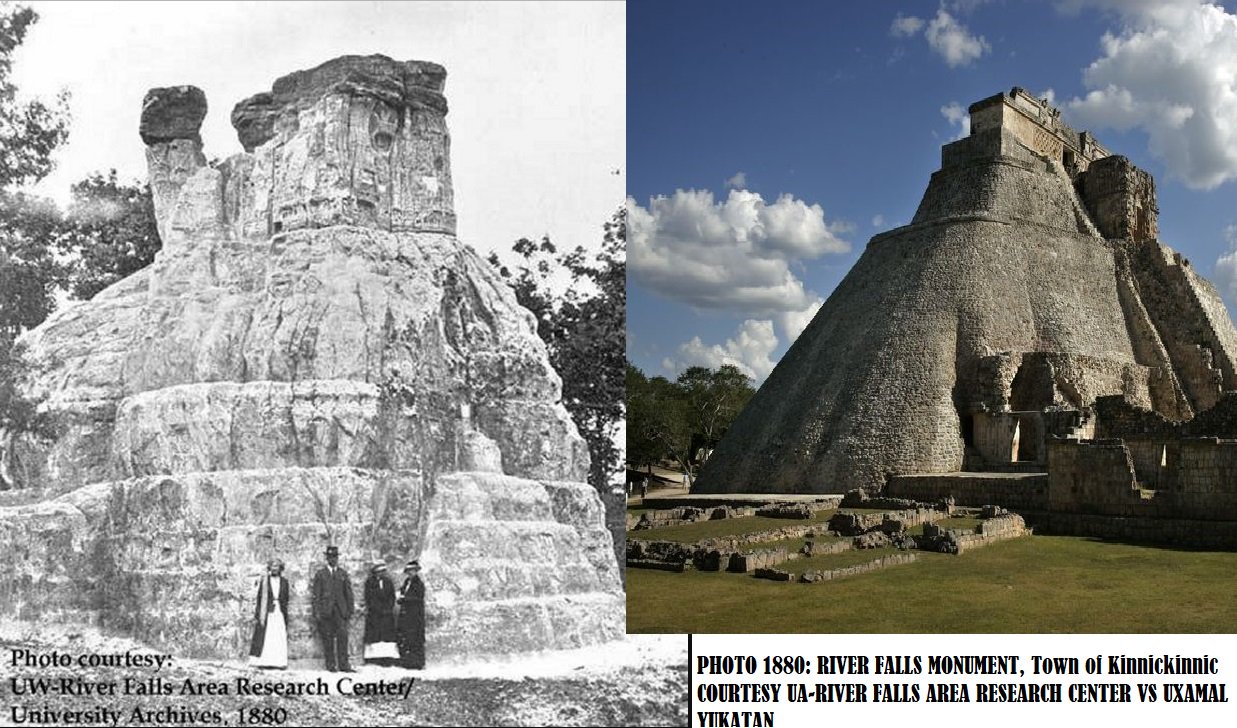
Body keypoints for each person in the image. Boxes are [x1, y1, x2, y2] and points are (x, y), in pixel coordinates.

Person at [311, 545, 355, 672]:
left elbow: (348, 593)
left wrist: (350, 610)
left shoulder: (342, 573)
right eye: (330, 557)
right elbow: (316, 595)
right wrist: (317, 612)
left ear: (337, 558)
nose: (333, 559)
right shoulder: (321, 574)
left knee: (343, 637)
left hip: (340, 611)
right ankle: (331, 665)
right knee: (327, 638)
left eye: (335, 557)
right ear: (327, 559)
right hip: (326, 611)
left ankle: (344, 665)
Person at [248, 559, 289, 669]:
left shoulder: (284, 582)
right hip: (267, 612)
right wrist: (258, 614)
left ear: (281, 568)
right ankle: (264, 661)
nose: (275, 568)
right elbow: (260, 598)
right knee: (266, 635)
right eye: (273, 566)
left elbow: (286, 599)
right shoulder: (265, 581)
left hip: (279, 611)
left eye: (277, 566)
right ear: (269, 568)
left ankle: (278, 662)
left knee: (278, 635)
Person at [362, 561, 400, 666]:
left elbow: (391, 597)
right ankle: (374, 658)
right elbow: (369, 598)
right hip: (375, 613)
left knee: (387, 635)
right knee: (375, 635)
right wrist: (377, 609)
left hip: (387, 613)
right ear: (374, 572)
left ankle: (387, 658)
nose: (380, 574)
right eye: (378, 572)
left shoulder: (388, 582)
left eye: (382, 571)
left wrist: (388, 608)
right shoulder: (369, 582)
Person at [396, 560, 425, 669]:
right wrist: (400, 597)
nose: (410, 573)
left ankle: (417, 663)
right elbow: (403, 593)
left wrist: (405, 599)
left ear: (416, 571)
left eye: (412, 571)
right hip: (406, 614)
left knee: (415, 639)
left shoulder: (419, 584)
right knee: (406, 638)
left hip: (415, 616)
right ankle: (408, 662)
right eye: (408, 571)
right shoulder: (407, 582)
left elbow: (418, 598)